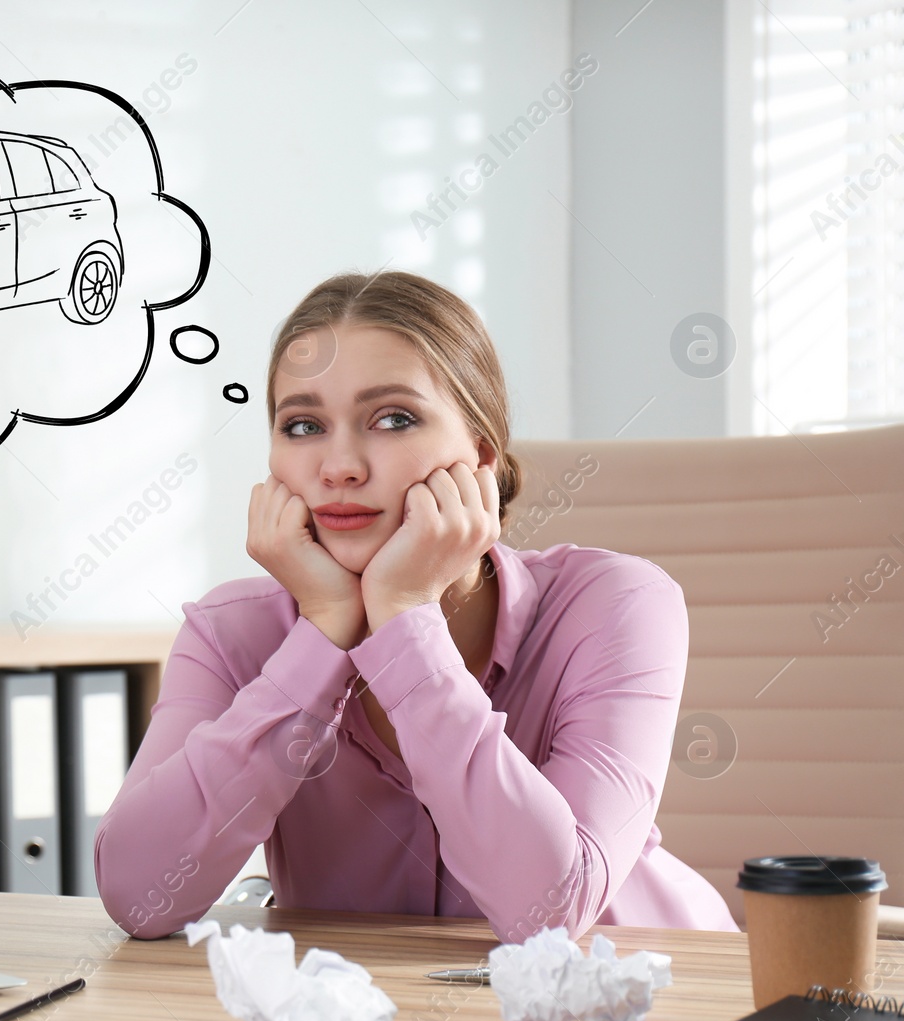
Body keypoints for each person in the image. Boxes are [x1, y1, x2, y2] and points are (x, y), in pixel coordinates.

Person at [94, 270, 738, 942]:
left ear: (482, 453)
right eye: (304, 424)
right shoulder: (232, 633)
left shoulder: (617, 605)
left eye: (393, 419)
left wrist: (403, 615)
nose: (339, 466)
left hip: (654, 1004)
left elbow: (549, 911)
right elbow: (139, 898)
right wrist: (321, 635)